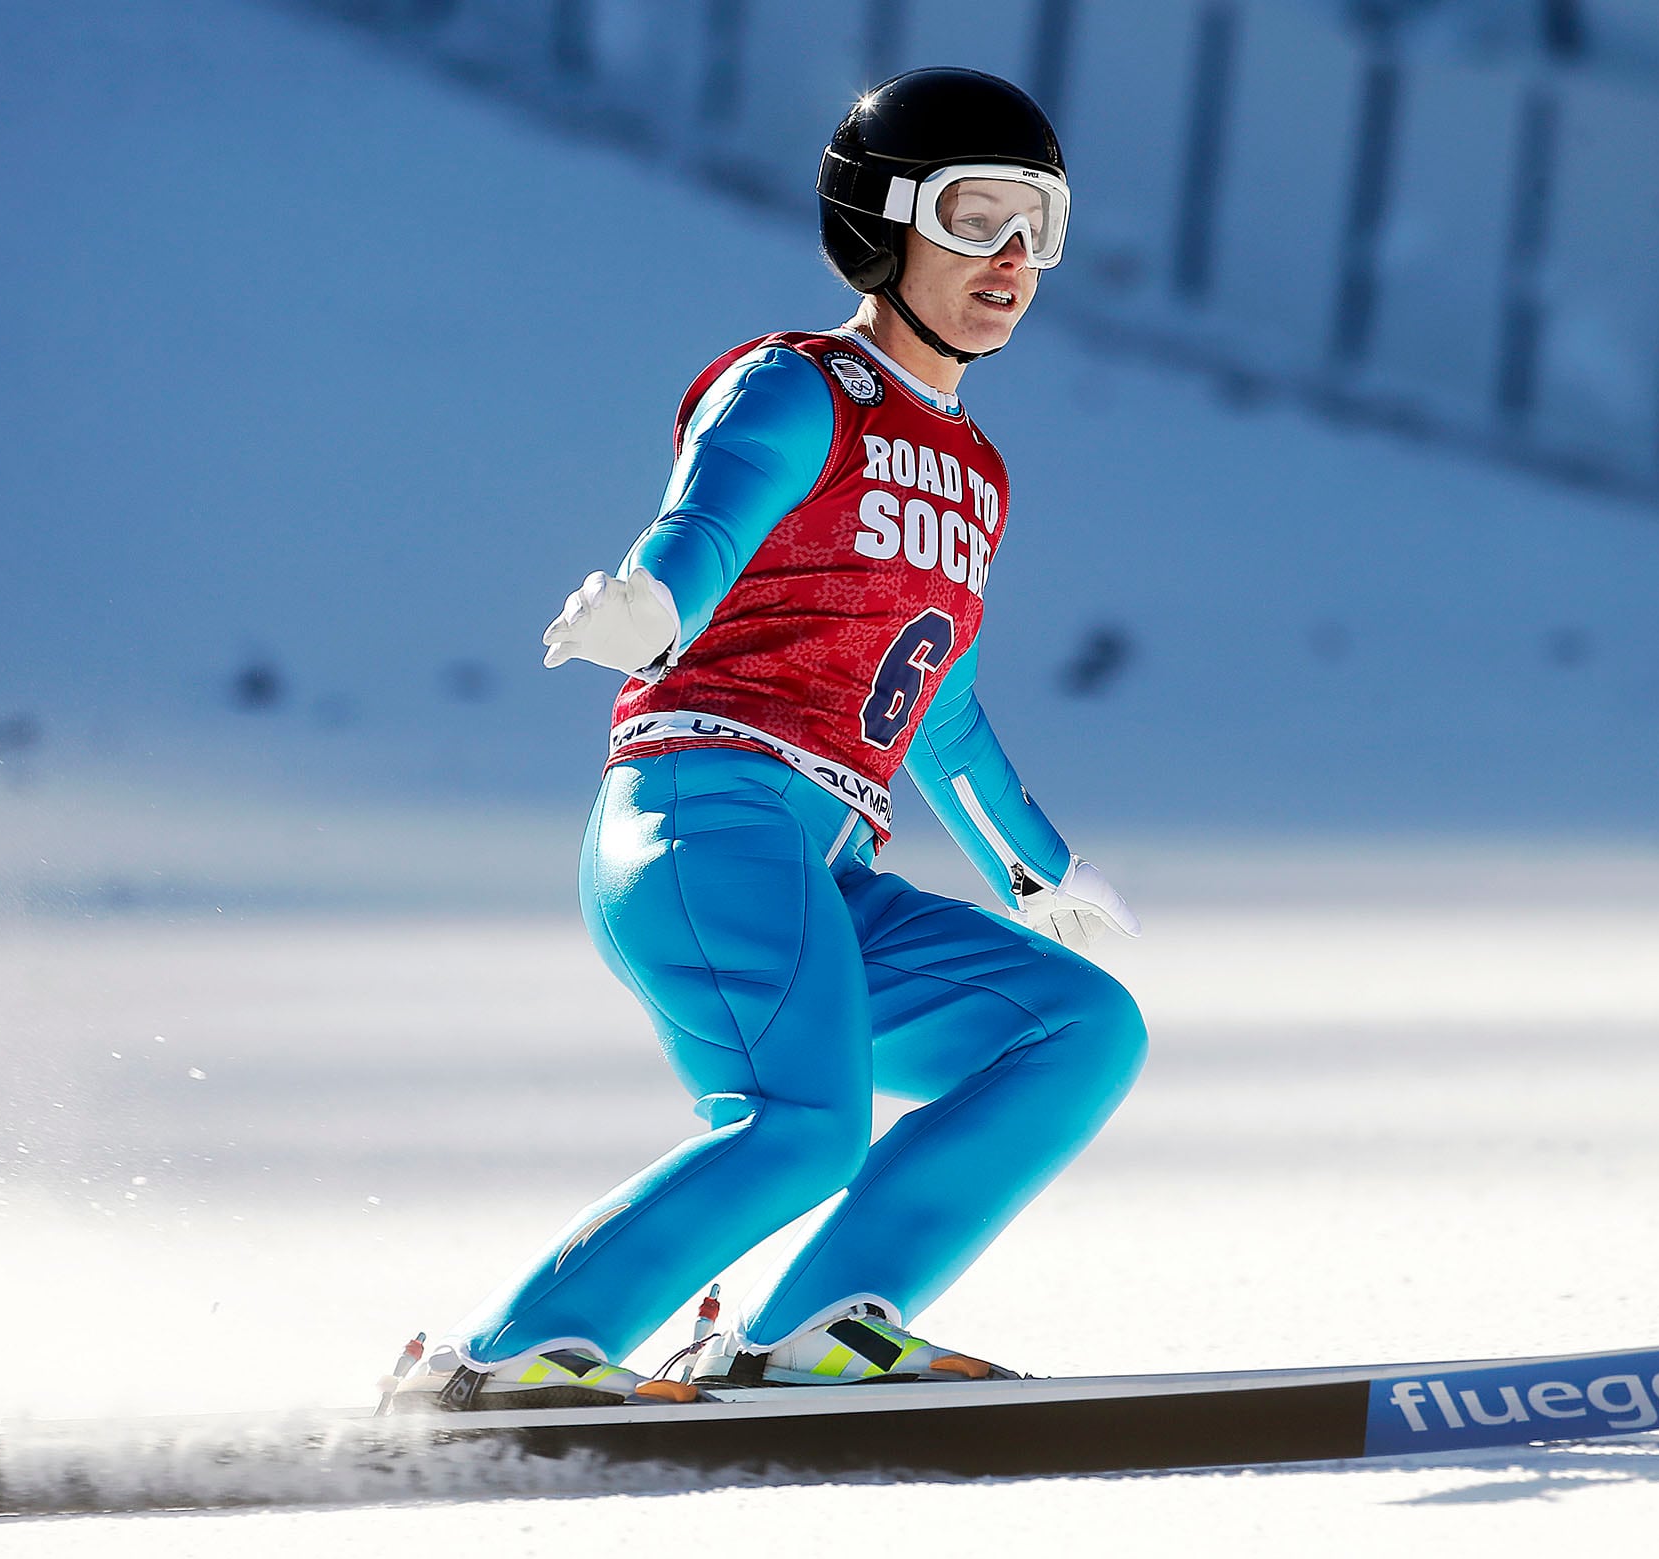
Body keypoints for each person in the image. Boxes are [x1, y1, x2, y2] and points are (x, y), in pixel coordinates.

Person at [419, 67, 1147, 1410]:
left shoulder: (973, 471)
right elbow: (707, 518)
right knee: (803, 1126)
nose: (1013, 260)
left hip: (825, 864)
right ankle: (508, 1356)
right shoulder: (797, 385)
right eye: (978, 216)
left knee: (1073, 1029)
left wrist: (1035, 870)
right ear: (880, 222)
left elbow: (942, 704)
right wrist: (652, 603)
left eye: (1038, 227)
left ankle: (818, 1327)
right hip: (704, 819)